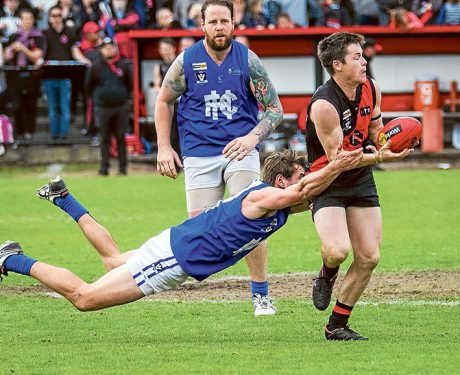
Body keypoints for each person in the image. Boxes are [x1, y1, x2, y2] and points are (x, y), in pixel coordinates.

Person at [0, 146, 364, 312]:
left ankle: (63, 197)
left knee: (112, 261)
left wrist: (368, 158)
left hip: (175, 247)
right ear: (282, 180)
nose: (305, 184)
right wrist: (337, 164)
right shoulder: (264, 197)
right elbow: (305, 191)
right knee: (84, 298)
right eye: (298, 178)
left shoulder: (276, 201)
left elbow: (309, 193)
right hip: (174, 259)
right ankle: (12, 258)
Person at [155, 0, 284, 316]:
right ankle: (163, 277)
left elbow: (274, 109)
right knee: (199, 231)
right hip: (198, 154)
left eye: (224, 21)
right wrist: (163, 147)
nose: (219, 27)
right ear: (202, 25)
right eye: (212, 22)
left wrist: (252, 137)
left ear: (234, 23)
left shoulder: (247, 59)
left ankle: (260, 294)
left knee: (255, 216)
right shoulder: (187, 62)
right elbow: (163, 101)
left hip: (239, 150)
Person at [305, 32, 413, 340]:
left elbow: (376, 129)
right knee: (337, 251)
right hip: (327, 178)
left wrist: (389, 142)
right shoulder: (324, 105)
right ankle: (327, 273)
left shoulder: (372, 89)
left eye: (362, 56)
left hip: (360, 177)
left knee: (369, 256)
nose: (364, 62)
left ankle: (336, 324)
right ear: (337, 65)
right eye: (357, 57)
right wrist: (379, 156)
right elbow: (338, 159)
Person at [42, 5, 91, 140]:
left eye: (59, 15)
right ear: (50, 18)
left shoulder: (70, 31)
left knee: (65, 108)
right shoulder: (45, 33)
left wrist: (84, 60)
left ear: (62, 17)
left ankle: (64, 135)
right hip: (49, 77)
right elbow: (41, 53)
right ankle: (54, 135)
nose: (56, 19)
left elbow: (74, 50)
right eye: (54, 16)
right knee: (53, 109)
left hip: (65, 77)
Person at [85, 37, 132, 176]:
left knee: (121, 138)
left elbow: (129, 84)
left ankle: (123, 168)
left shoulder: (122, 65)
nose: (108, 50)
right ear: (101, 50)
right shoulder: (96, 67)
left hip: (120, 107)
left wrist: (122, 96)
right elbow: (88, 86)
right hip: (103, 108)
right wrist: (99, 98)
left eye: (111, 47)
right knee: (104, 137)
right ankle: (104, 168)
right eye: (105, 48)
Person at [4, 8, 44, 141]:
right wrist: (11, 50)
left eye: (30, 18)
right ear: (20, 21)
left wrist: (24, 49)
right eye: (25, 18)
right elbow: (6, 56)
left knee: (30, 105)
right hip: (15, 76)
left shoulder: (38, 36)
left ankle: (29, 132)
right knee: (16, 105)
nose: (28, 21)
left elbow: (37, 56)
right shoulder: (13, 36)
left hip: (31, 75)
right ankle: (20, 131)